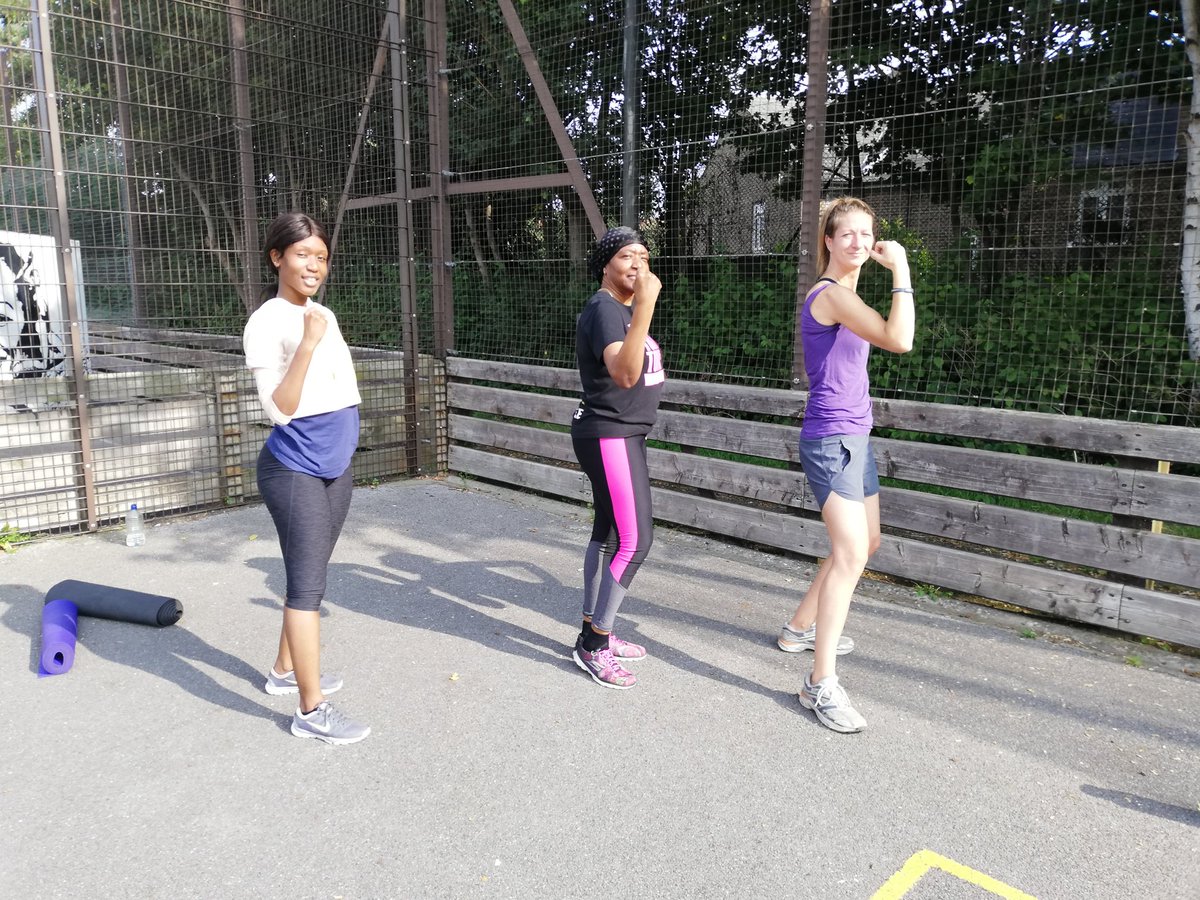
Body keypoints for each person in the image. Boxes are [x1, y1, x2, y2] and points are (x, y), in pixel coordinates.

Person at [778, 197, 914, 733]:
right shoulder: (830, 295)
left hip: (856, 436)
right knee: (851, 553)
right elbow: (899, 339)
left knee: (864, 545)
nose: (859, 242)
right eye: (848, 234)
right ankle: (819, 685)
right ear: (828, 242)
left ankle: (798, 628)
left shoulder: (848, 293)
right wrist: (901, 268)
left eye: (867, 233)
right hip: (830, 439)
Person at [242, 211, 370, 744]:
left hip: (334, 467)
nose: (314, 265)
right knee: (306, 587)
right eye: (302, 255)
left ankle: (283, 672)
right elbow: (281, 410)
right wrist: (309, 342)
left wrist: (318, 329)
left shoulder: (323, 313)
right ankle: (310, 711)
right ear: (277, 258)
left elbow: (338, 393)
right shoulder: (267, 322)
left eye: (320, 256)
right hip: (293, 468)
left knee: (309, 571)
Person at [570, 226, 666, 689]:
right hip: (611, 434)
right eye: (628, 256)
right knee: (636, 541)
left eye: (644, 257)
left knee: (608, 533)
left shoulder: (621, 312)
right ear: (606, 263)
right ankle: (594, 643)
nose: (638, 265)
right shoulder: (607, 309)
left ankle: (595, 629)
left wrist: (640, 309)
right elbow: (625, 374)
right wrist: (645, 304)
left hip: (621, 434)